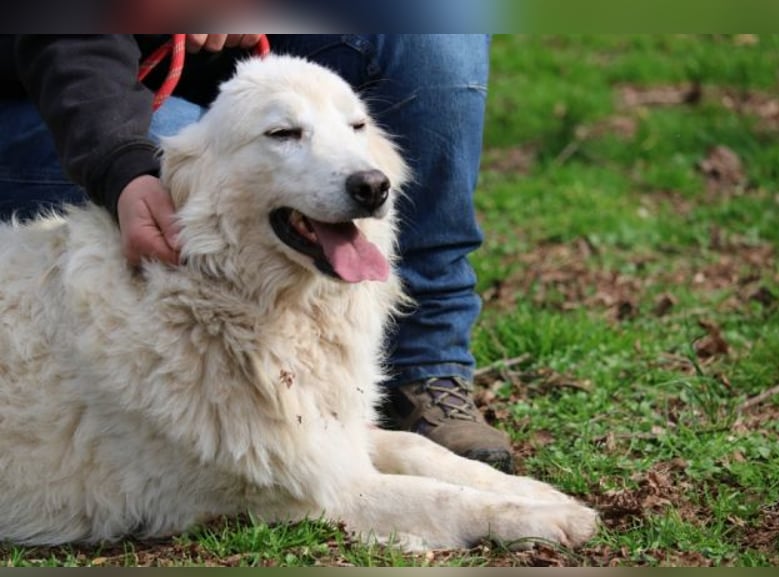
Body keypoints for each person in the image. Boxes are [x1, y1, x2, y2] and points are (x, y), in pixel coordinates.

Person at [0, 34, 513, 472]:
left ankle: (428, 363)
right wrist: (120, 162)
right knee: (189, 156)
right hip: (61, 81)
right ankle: (217, 411)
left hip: (235, 67)